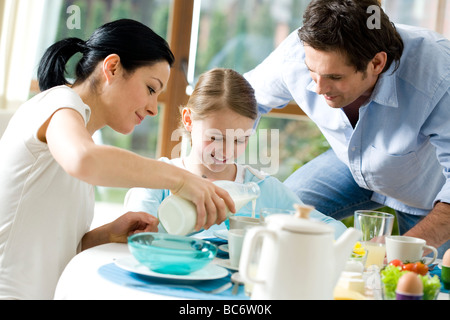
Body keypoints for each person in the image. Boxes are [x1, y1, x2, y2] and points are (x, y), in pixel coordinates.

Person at [0, 19, 236, 300]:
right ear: (112, 68)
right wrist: (180, 178)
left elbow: (49, 251)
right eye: (151, 89)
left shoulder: (80, 137)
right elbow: (85, 161)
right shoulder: (57, 103)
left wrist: (107, 235)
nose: (153, 109)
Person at [244, 0, 450, 258]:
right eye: (312, 72)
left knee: (423, 280)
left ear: (376, 63)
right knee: (282, 219)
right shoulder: (297, 52)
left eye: (335, 77)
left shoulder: (440, 73)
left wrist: (404, 247)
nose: (319, 89)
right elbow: (242, 99)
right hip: (350, 165)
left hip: (427, 191)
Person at [124, 68, 347, 239]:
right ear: (189, 120)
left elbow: (329, 229)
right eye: (216, 137)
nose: (226, 151)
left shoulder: (261, 189)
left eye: (240, 140)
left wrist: (359, 243)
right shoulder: (158, 180)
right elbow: (134, 234)